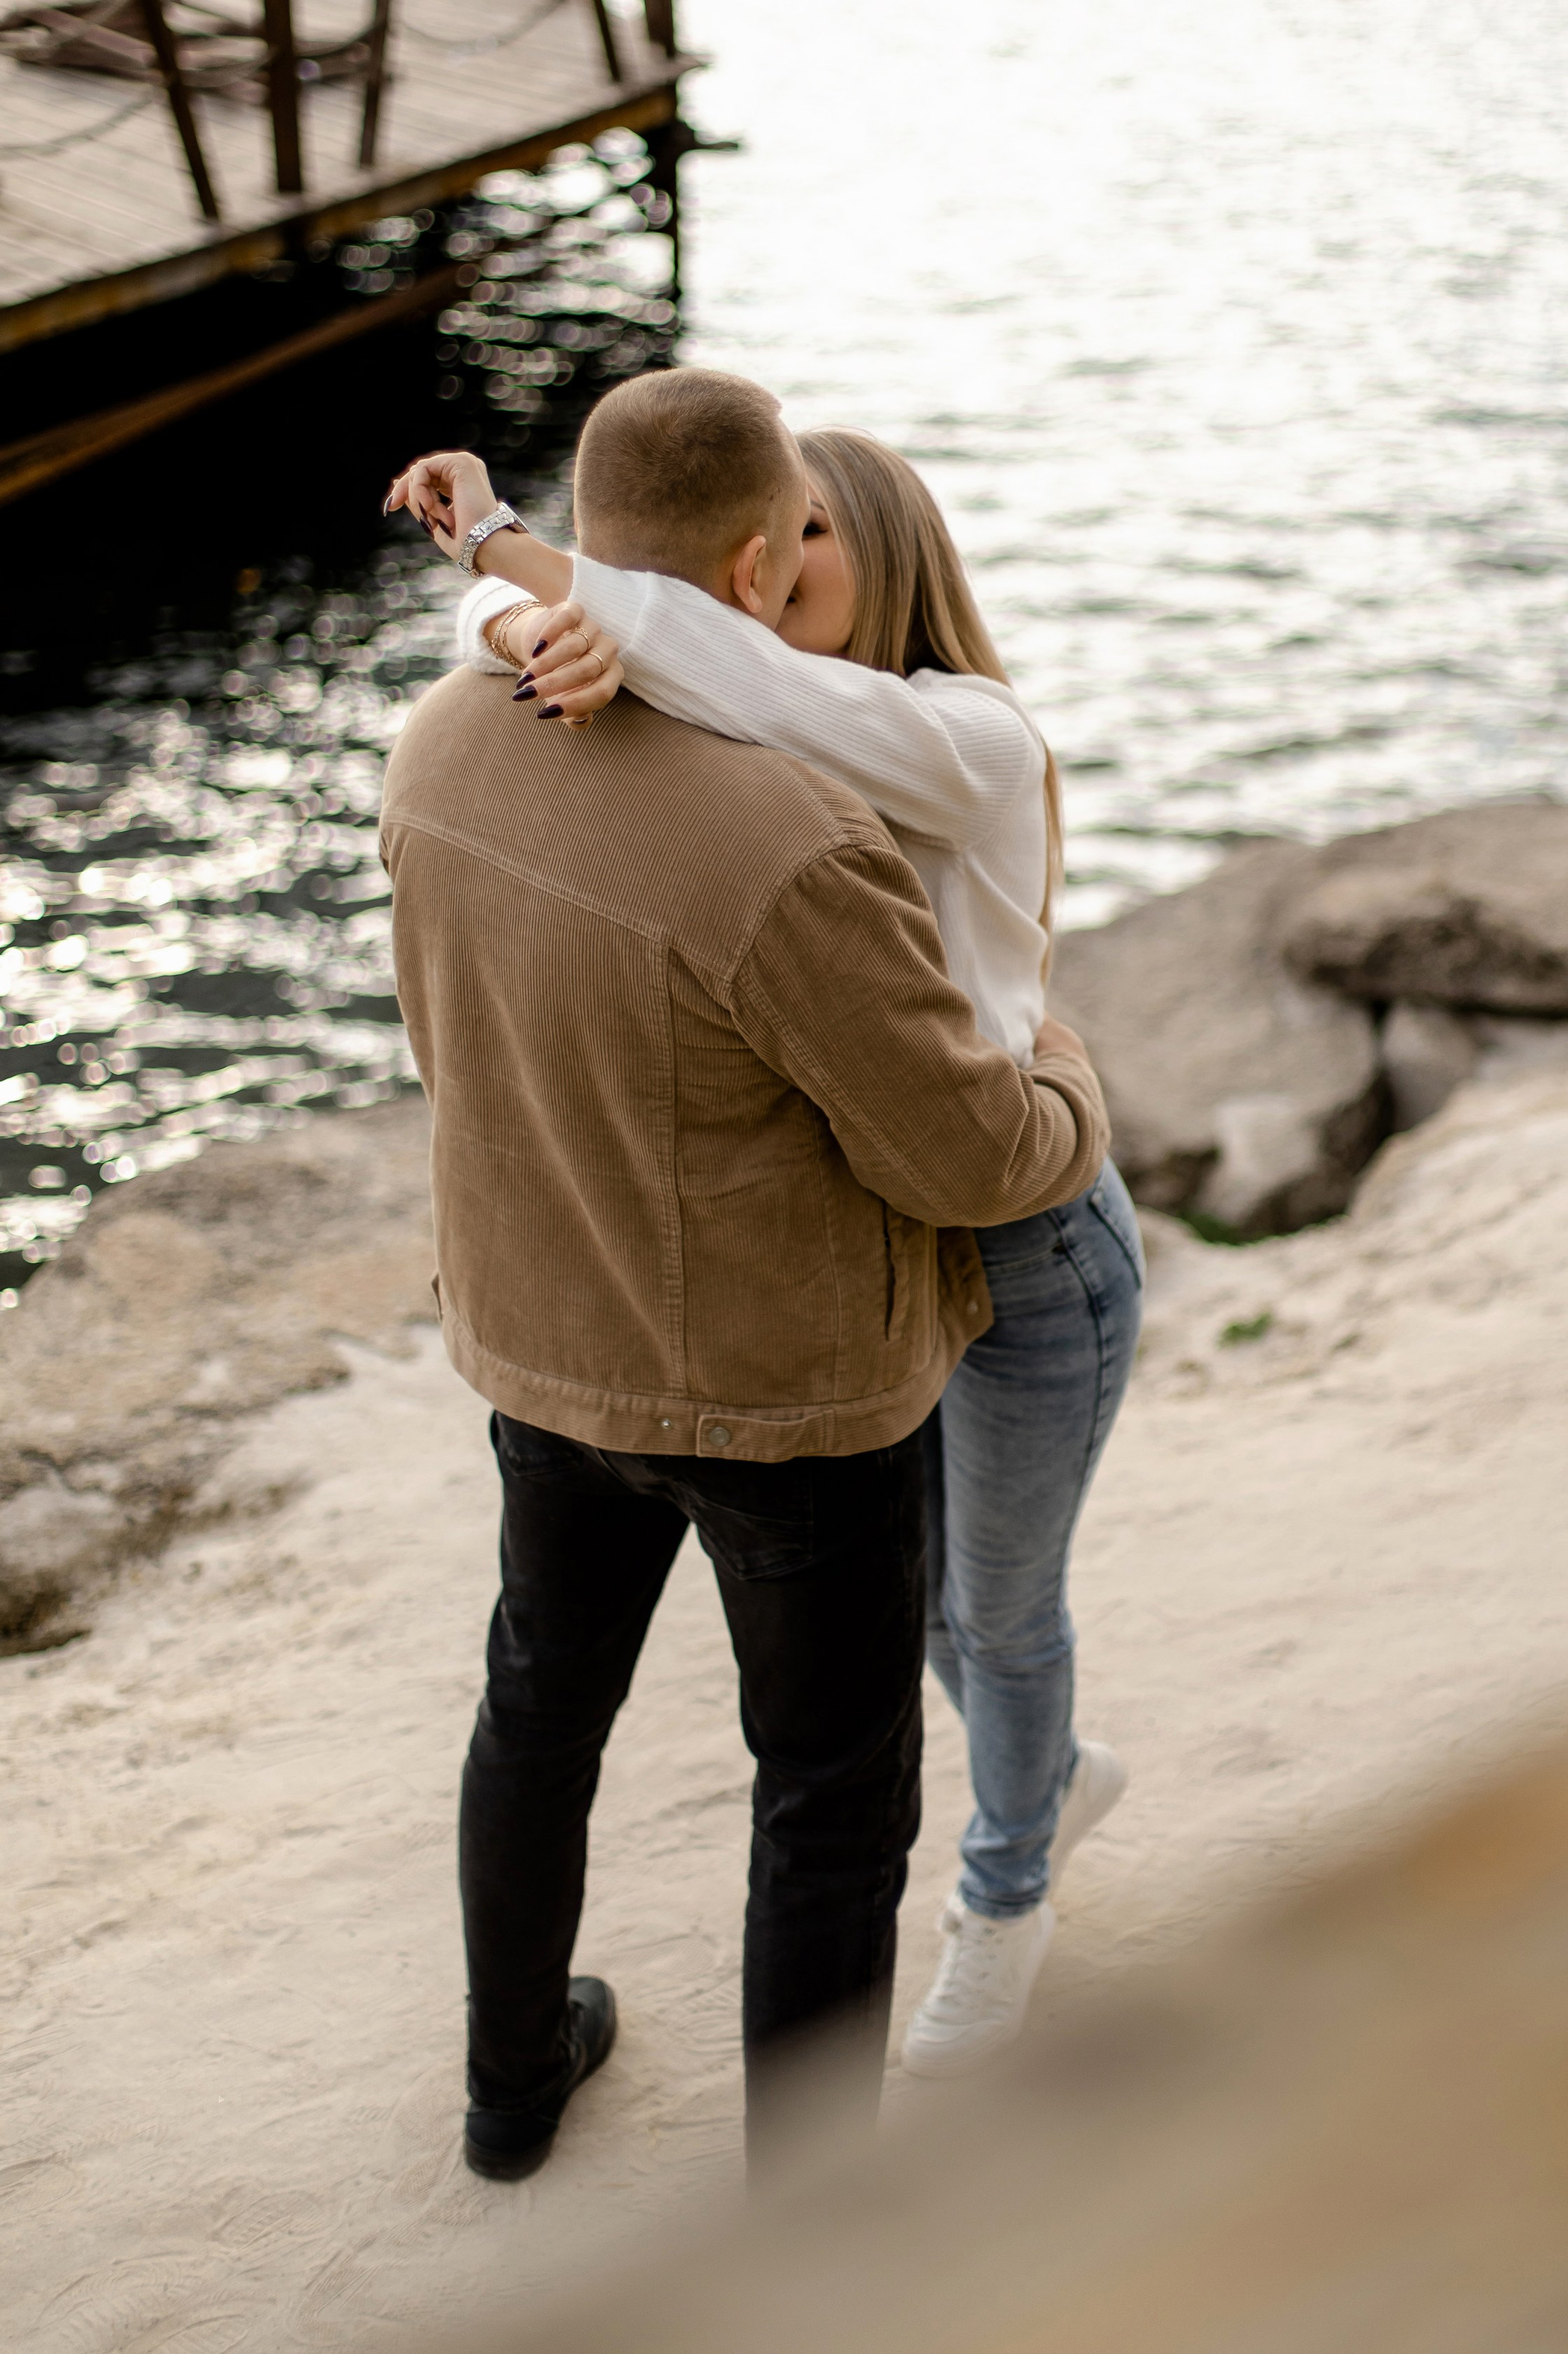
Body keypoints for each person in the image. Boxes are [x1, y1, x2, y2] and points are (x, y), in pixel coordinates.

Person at [379, 368, 1110, 2180]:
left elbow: (443, 1040)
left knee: (538, 1709)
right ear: (744, 562)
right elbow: (955, 1154)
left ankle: (507, 2093)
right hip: (781, 1389)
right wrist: (1072, 1086)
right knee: (828, 1804)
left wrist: (497, 562)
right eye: (779, 538)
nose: (797, 571)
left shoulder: (439, 743)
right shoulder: (781, 831)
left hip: (549, 1344)